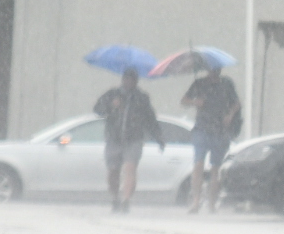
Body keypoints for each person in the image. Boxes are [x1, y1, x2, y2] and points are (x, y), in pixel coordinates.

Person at [94, 67, 164, 214]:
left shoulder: (141, 98)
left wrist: (159, 138)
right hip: (114, 138)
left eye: (133, 80)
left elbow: (150, 119)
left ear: (136, 81)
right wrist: (111, 105)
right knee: (113, 170)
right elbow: (97, 109)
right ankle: (115, 198)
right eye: (127, 79)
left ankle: (126, 200)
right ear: (123, 80)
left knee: (130, 168)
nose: (129, 82)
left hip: (134, 139)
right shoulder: (112, 94)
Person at [181, 63, 241, 213]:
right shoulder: (199, 83)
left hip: (220, 130)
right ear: (207, 69)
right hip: (202, 128)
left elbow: (236, 104)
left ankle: (212, 203)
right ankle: (196, 201)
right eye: (212, 69)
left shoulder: (226, 84)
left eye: (217, 69)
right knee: (198, 164)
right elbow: (184, 100)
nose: (215, 72)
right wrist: (196, 102)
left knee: (216, 168)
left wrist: (230, 115)